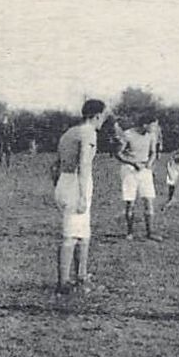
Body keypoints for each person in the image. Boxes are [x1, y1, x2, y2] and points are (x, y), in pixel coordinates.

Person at [53, 99, 108, 295]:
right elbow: (84, 165)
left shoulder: (69, 133)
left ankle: (81, 277)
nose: (104, 120)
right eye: (103, 116)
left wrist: (60, 188)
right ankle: (64, 282)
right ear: (97, 116)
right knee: (71, 236)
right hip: (77, 183)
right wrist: (83, 195)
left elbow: (55, 165)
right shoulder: (88, 133)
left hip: (64, 181)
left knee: (83, 235)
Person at [115, 116, 163, 241]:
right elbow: (118, 153)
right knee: (130, 202)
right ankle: (130, 232)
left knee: (149, 200)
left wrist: (148, 164)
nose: (155, 128)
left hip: (144, 170)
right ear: (145, 124)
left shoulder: (151, 135)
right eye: (153, 125)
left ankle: (150, 232)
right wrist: (133, 163)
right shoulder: (128, 134)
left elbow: (153, 152)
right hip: (129, 170)